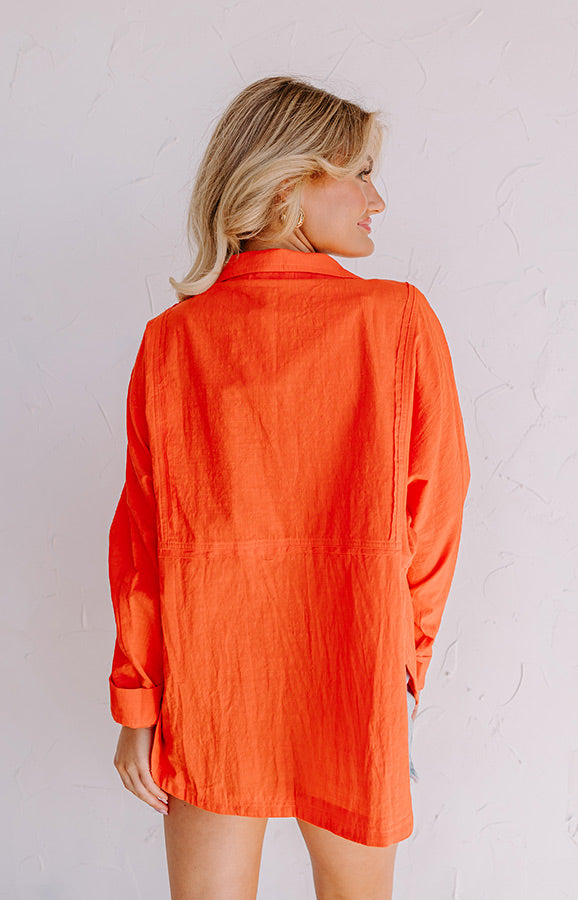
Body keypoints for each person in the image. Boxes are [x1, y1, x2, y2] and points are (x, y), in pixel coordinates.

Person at [108, 74, 470, 900]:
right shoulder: (400, 322)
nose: (377, 199)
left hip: (211, 678)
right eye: (360, 173)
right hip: (353, 669)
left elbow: (139, 548)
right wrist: (401, 663)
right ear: (286, 184)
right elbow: (436, 515)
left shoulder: (171, 342)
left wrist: (138, 702)